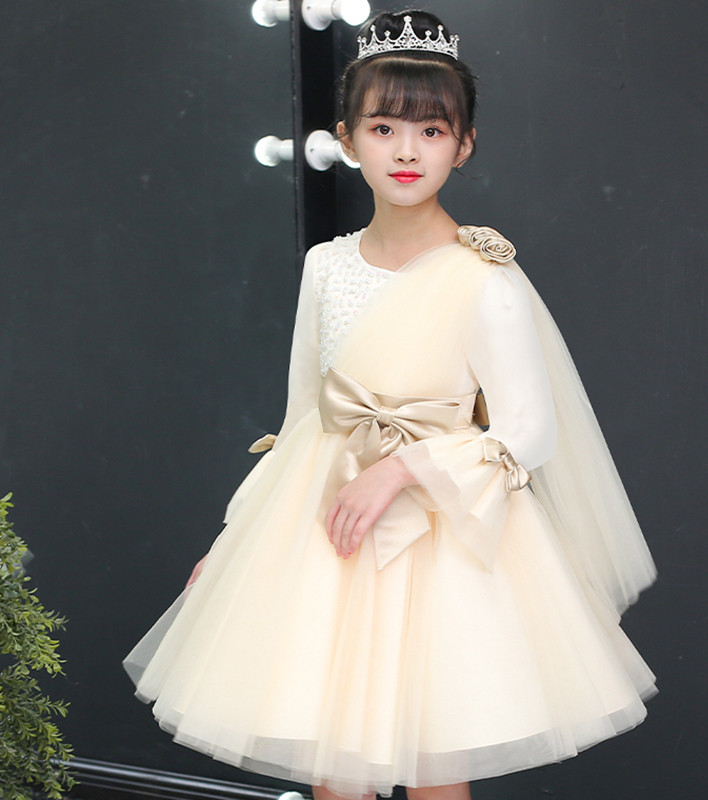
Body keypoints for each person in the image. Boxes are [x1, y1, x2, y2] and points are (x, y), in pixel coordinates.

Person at [124, 10, 657, 800]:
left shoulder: (483, 278)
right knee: (336, 770)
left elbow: (529, 433)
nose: (407, 151)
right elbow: (302, 417)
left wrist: (402, 468)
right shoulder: (326, 268)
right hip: (328, 535)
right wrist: (234, 539)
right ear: (347, 139)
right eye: (383, 128)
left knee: (435, 761)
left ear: (463, 144)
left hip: (443, 542)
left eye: (431, 131)